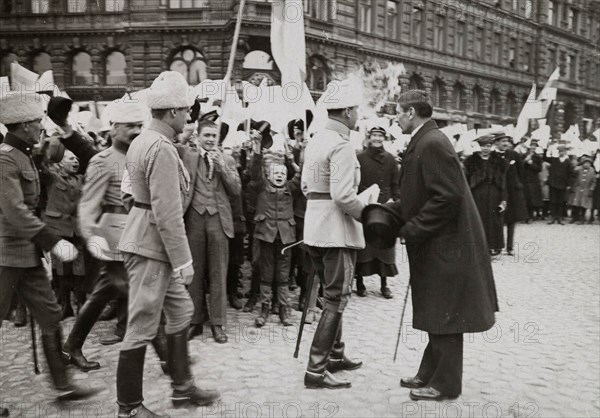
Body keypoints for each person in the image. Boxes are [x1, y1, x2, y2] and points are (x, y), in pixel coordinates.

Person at [116, 71, 220, 417]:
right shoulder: (160, 148)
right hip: (152, 247)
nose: (190, 117)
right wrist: (183, 261)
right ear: (172, 112)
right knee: (142, 325)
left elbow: (128, 193)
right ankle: (129, 406)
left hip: (147, 241)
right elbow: (167, 212)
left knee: (181, 312)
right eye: (187, 111)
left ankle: (182, 388)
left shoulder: (143, 141)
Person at [386, 90, 498, 401]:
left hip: (447, 245)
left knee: (446, 311)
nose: (396, 118)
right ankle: (429, 373)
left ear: (410, 112)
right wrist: (394, 210)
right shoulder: (427, 139)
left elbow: (447, 197)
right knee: (437, 308)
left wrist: (414, 229)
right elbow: (421, 193)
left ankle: (446, 384)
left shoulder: (432, 143)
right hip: (439, 242)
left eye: (398, 113)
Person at [0, 92, 97, 401]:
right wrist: (53, 242)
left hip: (26, 255)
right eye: (37, 121)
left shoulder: (26, 153)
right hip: (5, 255)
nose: (41, 126)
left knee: (50, 315)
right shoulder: (5, 158)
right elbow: (15, 211)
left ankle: (63, 384)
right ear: (24, 125)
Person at [62, 101, 171, 372]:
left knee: (103, 295)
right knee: (142, 298)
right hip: (115, 240)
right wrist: (92, 237)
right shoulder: (103, 161)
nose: (135, 131)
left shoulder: (142, 156)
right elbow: (87, 205)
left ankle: (71, 347)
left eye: (138, 126)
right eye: (129, 126)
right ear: (113, 129)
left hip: (139, 236)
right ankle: (169, 360)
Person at [301, 78, 366, 390]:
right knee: (336, 300)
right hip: (336, 231)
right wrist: (367, 211)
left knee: (330, 294)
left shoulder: (315, 140)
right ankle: (316, 369)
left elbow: (304, 186)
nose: (359, 115)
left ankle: (336, 355)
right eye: (357, 110)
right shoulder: (341, 146)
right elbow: (343, 196)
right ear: (348, 111)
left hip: (314, 227)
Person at [181, 119, 241, 343]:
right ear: (199, 137)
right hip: (194, 218)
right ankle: (195, 321)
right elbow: (177, 144)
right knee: (194, 272)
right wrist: (187, 132)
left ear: (218, 138)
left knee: (218, 272)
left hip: (218, 220)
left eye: (213, 136)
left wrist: (222, 166)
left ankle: (218, 323)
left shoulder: (227, 159)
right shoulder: (189, 156)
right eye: (206, 135)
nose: (210, 139)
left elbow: (236, 190)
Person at [248, 143, 300, 327]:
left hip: (285, 238)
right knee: (266, 273)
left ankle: (284, 309)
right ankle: (265, 307)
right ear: (268, 176)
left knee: (283, 275)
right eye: (275, 173)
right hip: (266, 236)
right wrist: (256, 151)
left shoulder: (290, 188)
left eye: (282, 174)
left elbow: (301, 177)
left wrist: (292, 161)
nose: (279, 176)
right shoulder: (262, 186)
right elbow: (254, 171)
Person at [355, 122, 400, 298]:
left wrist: (395, 201)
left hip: (385, 206)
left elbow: (395, 183)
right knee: (364, 245)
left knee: (384, 246)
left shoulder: (390, 159)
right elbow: (355, 182)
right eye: (374, 135)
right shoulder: (360, 158)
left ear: (384, 138)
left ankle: (384, 284)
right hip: (365, 205)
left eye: (380, 136)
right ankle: (360, 282)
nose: (377, 138)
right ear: (369, 137)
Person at [463, 134, 508, 255]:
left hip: (493, 194)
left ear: (492, 146)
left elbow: (503, 182)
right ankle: (478, 247)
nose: (485, 149)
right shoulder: (471, 162)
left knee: (493, 221)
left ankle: (492, 246)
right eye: (483, 146)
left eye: (488, 146)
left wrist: (503, 199)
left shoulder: (499, 162)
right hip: (477, 195)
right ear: (479, 147)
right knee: (478, 220)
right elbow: (465, 182)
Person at [493, 134, 528, 255]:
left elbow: (521, 172)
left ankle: (510, 247)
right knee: (498, 219)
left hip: (512, 192)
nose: (505, 144)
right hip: (498, 191)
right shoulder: (493, 156)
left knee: (512, 220)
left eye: (507, 141)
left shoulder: (513, 155)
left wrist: (518, 185)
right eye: (502, 141)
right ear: (496, 143)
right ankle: (497, 246)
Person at [545, 143, 575, 225]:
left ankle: (560, 217)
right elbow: (545, 157)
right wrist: (547, 147)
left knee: (561, 201)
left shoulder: (568, 162)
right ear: (558, 152)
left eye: (563, 151)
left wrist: (569, 184)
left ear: (565, 152)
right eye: (560, 151)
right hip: (553, 183)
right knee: (553, 201)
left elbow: (570, 174)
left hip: (563, 184)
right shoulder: (554, 160)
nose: (561, 152)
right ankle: (553, 216)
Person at [568, 155, 596, 224]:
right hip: (578, 188)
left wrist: (591, 189)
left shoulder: (592, 171)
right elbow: (573, 175)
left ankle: (582, 218)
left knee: (584, 204)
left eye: (588, 163)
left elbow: (594, 181)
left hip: (587, 189)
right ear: (582, 163)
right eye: (585, 163)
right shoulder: (579, 169)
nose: (587, 164)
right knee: (576, 204)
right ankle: (575, 217)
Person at [522, 140, 544, 221]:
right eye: (532, 145)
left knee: (532, 199)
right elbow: (520, 166)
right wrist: (525, 161)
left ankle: (531, 216)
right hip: (525, 179)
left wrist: (531, 163)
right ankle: (525, 216)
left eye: (535, 146)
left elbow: (539, 169)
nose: (533, 147)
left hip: (533, 180)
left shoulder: (537, 157)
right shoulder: (523, 155)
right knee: (526, 199)